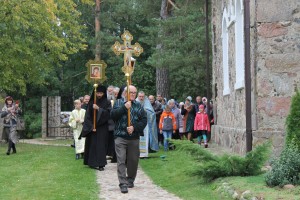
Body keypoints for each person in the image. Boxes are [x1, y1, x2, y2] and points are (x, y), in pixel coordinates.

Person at [111, 85, 147, 194]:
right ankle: (123, 183)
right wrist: (124, 108)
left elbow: (144, 120)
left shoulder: (138, 105)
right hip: (120, 136)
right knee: (121, 160)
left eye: (134, 93)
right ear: (125, 93)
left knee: (133, 160)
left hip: (134, 137)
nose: (133, 94)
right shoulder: (118, 103)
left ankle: (130, 179)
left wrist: (134, 127)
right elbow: (113, 116)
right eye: (131, 92)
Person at [80, 85, 111, 171]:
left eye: (101, 93)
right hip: (92, 128)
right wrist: (91, 126)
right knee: (92, 145)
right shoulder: (91, 102)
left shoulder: (107, 102)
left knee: (101, 146)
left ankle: (101, 164)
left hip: (102, 127)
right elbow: (88, 116)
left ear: (104, 93)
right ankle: (92, 163)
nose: (99, 95)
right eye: (97, 93)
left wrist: (98, 109)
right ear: (95, 93)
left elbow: (109, 114)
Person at [136, 91, 159, 157]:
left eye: (142, 96)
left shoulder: (147, 102)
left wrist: (145, 110)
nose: (141, 98)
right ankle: (137, 153)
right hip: (137, 124)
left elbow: (152, 113)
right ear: (138, 96)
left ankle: (144, 154)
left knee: (145, 139)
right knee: (138, 139)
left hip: (145, 125)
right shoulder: (135, 101)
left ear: (144, 96)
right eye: (140, 96)